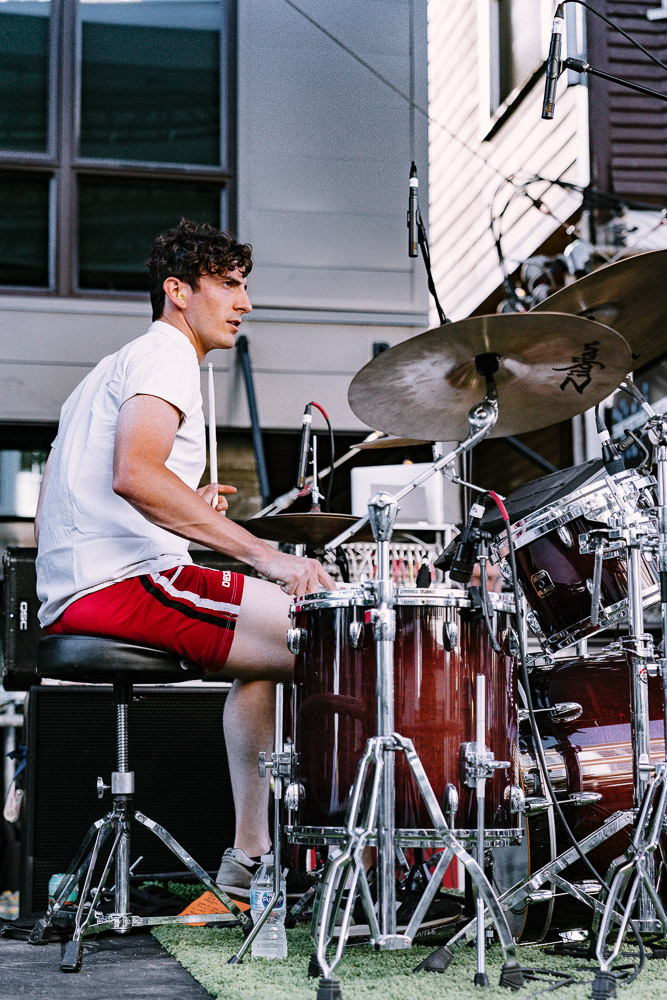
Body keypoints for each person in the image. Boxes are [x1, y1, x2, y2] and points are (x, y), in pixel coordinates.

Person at [34, 218, 335, 897]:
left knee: (273, 655)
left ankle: (248, 862)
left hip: (88, 586)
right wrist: (268, 557)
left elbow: (62, 493)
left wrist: (186, 508)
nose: (245, 303)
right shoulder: (166, 354)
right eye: (228, 286)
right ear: (178, 291)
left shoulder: (106, 374)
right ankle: (352, 861)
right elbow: (135, 475)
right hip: (122, 586)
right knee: (332, 633)